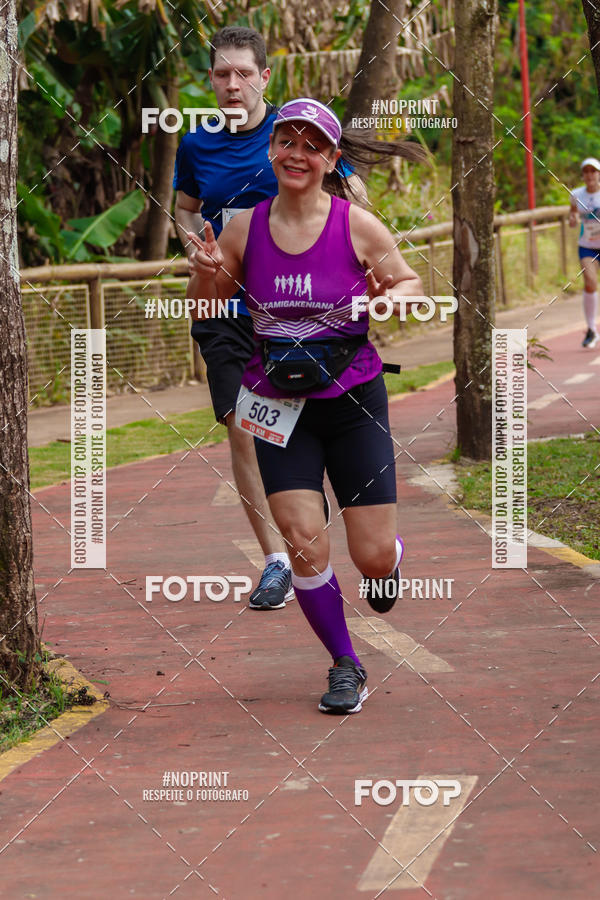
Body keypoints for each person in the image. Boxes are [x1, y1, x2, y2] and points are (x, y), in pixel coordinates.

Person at [185, 99, 425, 714]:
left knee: (369, 555)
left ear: (330, 159)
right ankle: (346, 663)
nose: (297, 153)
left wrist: (398, 296)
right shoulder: (244, 228)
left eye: (312, 145)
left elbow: (410, 280)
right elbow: (205, 306)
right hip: (277, 404)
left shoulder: (356, 224)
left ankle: (387, 561)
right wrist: (208, 272)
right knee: (302, 541)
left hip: (352, 400)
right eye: (287, 140)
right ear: (272, 149)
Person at [173, 27, 362, 611]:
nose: (232, 85)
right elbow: (184, 211)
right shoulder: (195, 144)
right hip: (225, 307)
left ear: (264, 77)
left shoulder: (296, 132)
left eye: (243, 74)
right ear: (211, 80)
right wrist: (193, 250)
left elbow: (352, 195)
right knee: (243, 425)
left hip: (296, 308)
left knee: (305, 424)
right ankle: (277, 561)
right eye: (221, 75)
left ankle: (309, 509)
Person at [569, 157, 600, 348]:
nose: (589, 175)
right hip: (587, 245)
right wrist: (573, 219)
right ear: (582, 175)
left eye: (593, 171)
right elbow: (573, 212)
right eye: (586, 171)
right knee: (590, 280)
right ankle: (591, 329)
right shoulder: (575, 194)